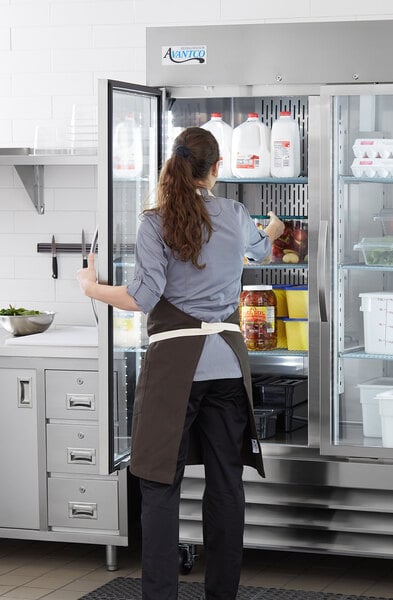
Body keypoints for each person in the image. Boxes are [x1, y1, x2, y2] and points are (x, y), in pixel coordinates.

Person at [77, 126, 285, 600]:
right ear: (216, 170)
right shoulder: (234, 213)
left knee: (159, 485)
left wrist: (89, 287)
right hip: (229, 366)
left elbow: (142, 297)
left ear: (173, 165)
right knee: (226, 487)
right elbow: (261, 248)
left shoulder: (155, 221)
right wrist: (271, 230)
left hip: (175, 370)